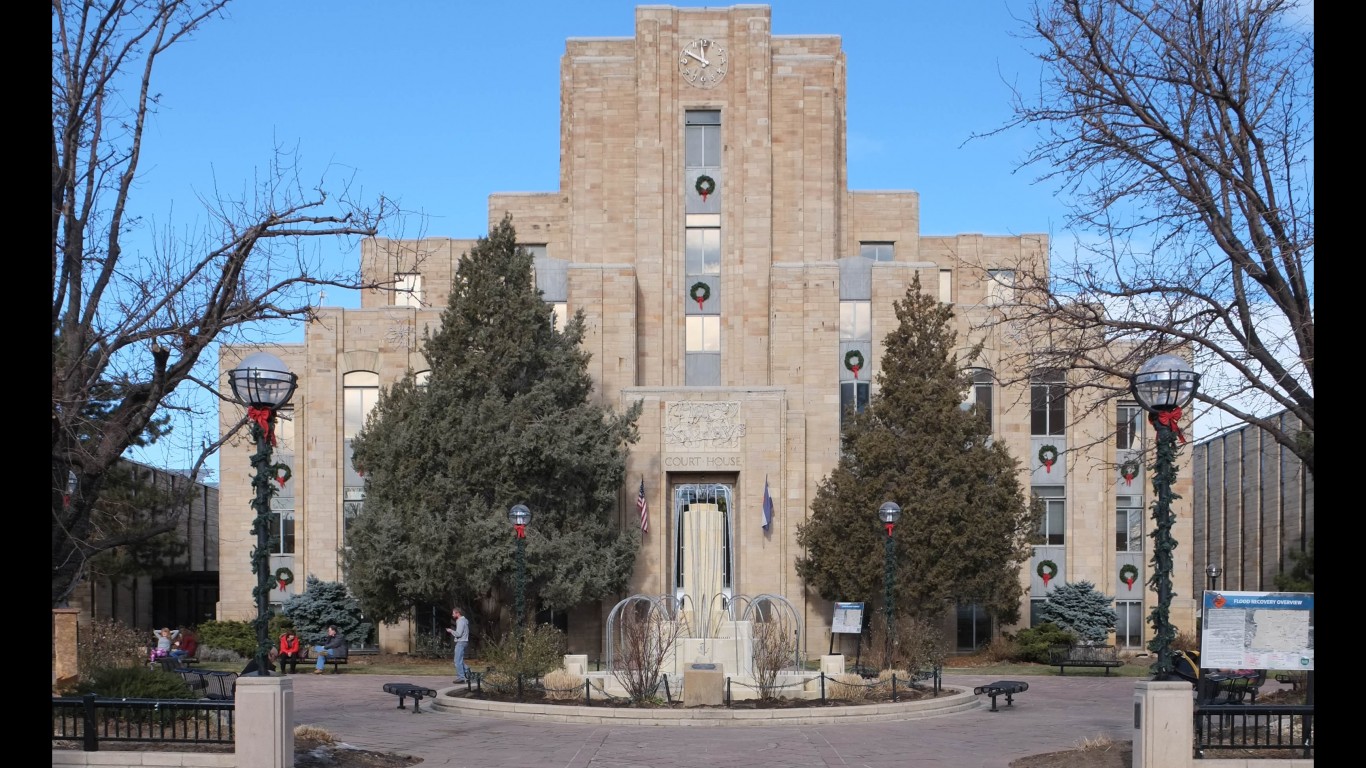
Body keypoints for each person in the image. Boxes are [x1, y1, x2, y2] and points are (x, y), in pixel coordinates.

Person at [446, 607, 470, 683]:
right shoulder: (464, 620)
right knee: (460, 660)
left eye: (453, 613)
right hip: (464, 642)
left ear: (457, 613)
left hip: (461, 642)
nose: (452, 615)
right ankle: (470, 674)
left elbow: (459, 634)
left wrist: (451, 631)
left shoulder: (460, 621)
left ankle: (461, 677)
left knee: (457, 661)